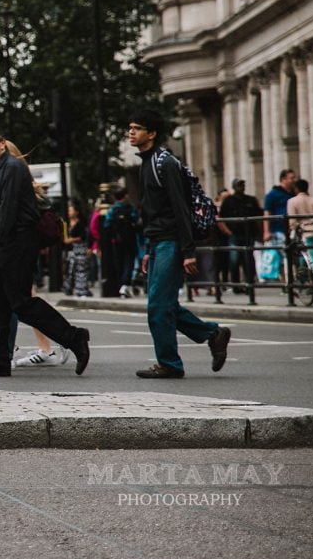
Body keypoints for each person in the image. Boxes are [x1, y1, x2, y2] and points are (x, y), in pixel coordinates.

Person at [0, 124, 89, 378]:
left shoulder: (11, 168)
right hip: (6, 245)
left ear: (2, 143)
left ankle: (74, 338)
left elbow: (8, 211)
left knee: (21, 303)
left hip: (18, 245)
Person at [127, 109, 230, 379]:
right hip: (158, 243)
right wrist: (149, 250)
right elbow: (152, 213)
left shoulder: (165, 163)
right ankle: (213, 333)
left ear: (151, 134)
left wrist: (187, 251)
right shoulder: (147, 163)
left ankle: (170, 364)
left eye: (137, 128)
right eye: (130, 128)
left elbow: (180, 209)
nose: (131, 132)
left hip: (171, 243)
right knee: (165, 305)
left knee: (158, 307)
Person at [218, 178, 261, 291]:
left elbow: (258, 216)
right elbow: (221, 217)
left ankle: (249, 284)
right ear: (234, 187)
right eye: (239, 185)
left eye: (242, 184)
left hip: (248, 234)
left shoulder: (250, 200)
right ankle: (236, 285)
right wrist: (227, 231)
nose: (241, 187)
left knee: (248, 259)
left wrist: (258, 232)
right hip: (235, 234)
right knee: (234, 259)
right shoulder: (229, 201)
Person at [287, 178, 313, 281]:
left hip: (304, 233)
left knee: (312, 257)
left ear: (296, 189)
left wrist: (293, 228)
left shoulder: (292, 201)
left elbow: (292, 222)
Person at [261, 168, 298, 281]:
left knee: (293, 255)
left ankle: (293, 279)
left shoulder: (294, 193)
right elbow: (267, 213)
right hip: (278, 229)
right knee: (282, 256)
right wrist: (266, 231)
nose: (293, 180)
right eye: (291, 178)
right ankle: (286, 282)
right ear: (283, 179)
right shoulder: (272, 195)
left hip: (293, 229)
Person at [106, 188, 142, 298]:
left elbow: (107, 225)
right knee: (129, 262)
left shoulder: (112, 210)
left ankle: (121, 285)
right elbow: (137, 221)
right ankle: (125, 285)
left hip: (117, 241)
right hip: (130, 239)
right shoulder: (130, 208)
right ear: (125, 196)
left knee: (119, 263)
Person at [62, 200, 90, 296]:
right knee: (70, 270)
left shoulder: (81, 223)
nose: (69, 213)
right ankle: (68, 288)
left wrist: (72, 239)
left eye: (71, 210)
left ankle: (81, 290)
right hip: (70, 250)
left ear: (76, 212)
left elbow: (83, 236)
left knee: (80, 270)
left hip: (80, 249)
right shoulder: (67, 223)